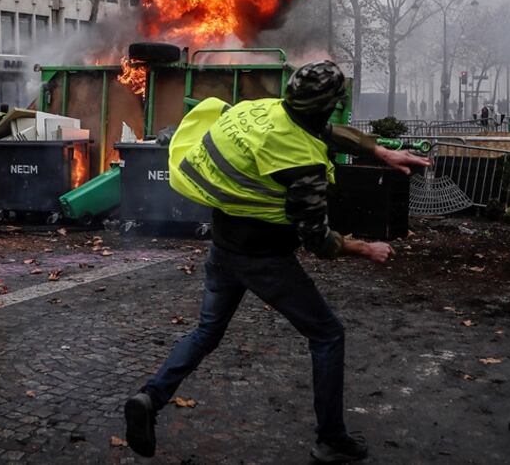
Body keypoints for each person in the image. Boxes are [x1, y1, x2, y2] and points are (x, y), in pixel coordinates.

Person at [123, 61, 431, 462]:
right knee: (327, 334)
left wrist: (380, 150)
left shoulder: (265, 109)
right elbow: (317, 239)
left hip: (224, 247)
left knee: (206, 333)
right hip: (264, 259)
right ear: (330, 105)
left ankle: (150, 397)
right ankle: (331, 439)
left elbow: (324, 131)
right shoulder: (303, 165)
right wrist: (365, 248)